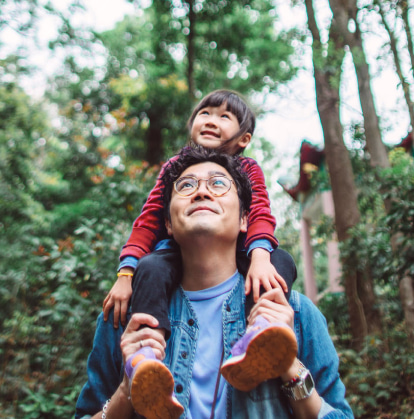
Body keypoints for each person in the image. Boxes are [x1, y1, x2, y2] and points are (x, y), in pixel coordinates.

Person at [75, 147, 353, 419]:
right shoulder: (126, 319)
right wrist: (127, 390)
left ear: (245, 218)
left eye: (218, 183)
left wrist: (288, 364)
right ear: (168, 225)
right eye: (185, 186)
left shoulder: (295, 314)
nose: (202, 192)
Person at [103, 89, 293, 332]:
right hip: (180, 252)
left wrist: (260, 256)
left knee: (279, 261)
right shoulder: (176, 167)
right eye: (204, 113)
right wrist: (126, 273)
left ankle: (263, 330)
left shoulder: (248, 168)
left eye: (224, 117)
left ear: (243, 139)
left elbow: (259, 212)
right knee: (150, 268)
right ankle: (147, 347)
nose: (211, 120)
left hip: (239, 248)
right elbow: (149, 219)